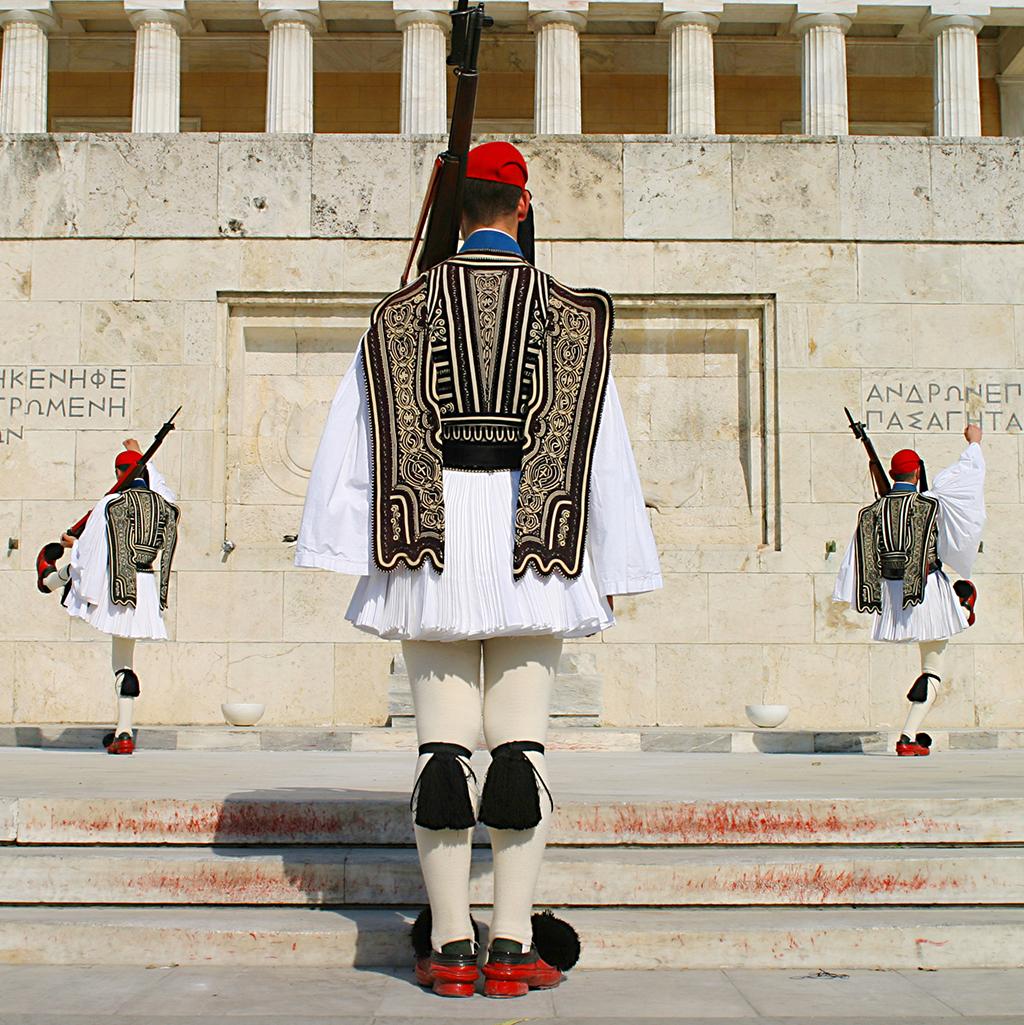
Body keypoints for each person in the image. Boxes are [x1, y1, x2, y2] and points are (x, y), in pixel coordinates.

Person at [297, 141, 661, 998]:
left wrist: (350, 544)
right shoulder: (575, 315)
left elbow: (357, 438)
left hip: (429, 544)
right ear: (522, 207)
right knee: (520, 749)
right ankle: (511, 946)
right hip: (540, 542)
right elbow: (599, 448)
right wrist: (609, 557)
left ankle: (451, 948)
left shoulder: (397, 316)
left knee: (441, 752)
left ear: (452, 208)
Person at [833, 425, 985, 756]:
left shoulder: (871, 513)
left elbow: (853, 558)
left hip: (892, 598)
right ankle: (907, 737)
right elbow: (965, 481)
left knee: (931, 661)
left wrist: (850, 595)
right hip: (928, 593)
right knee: (933, 669)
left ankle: (962, 606)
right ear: (918, 472)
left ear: (890, 473)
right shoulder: (930, 503)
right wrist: (973, 444)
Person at [40, 440, 180, 755]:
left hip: (120, 587)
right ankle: (122, 730)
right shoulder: (165, 506)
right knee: (125, 658)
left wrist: (71, 542)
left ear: (118, 473)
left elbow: (89, 553)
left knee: (120, 665)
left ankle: (50, 580)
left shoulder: (110, 504)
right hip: (147, 588)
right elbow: (165, 490)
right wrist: (145, 457)